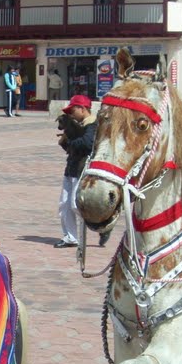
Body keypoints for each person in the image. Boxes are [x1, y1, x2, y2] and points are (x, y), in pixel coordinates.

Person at [54, 94, 98, 249]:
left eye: (73, 111)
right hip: (71, 167)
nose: (71, 115)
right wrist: (65, 143)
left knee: (75, 204)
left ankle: (100, 224)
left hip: (83, 169)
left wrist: (70, 140)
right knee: (64, 204)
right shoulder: (77, 126)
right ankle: (70, 237)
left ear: (82, 108)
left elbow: (87, 144)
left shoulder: (93, 125)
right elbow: (72, 149)